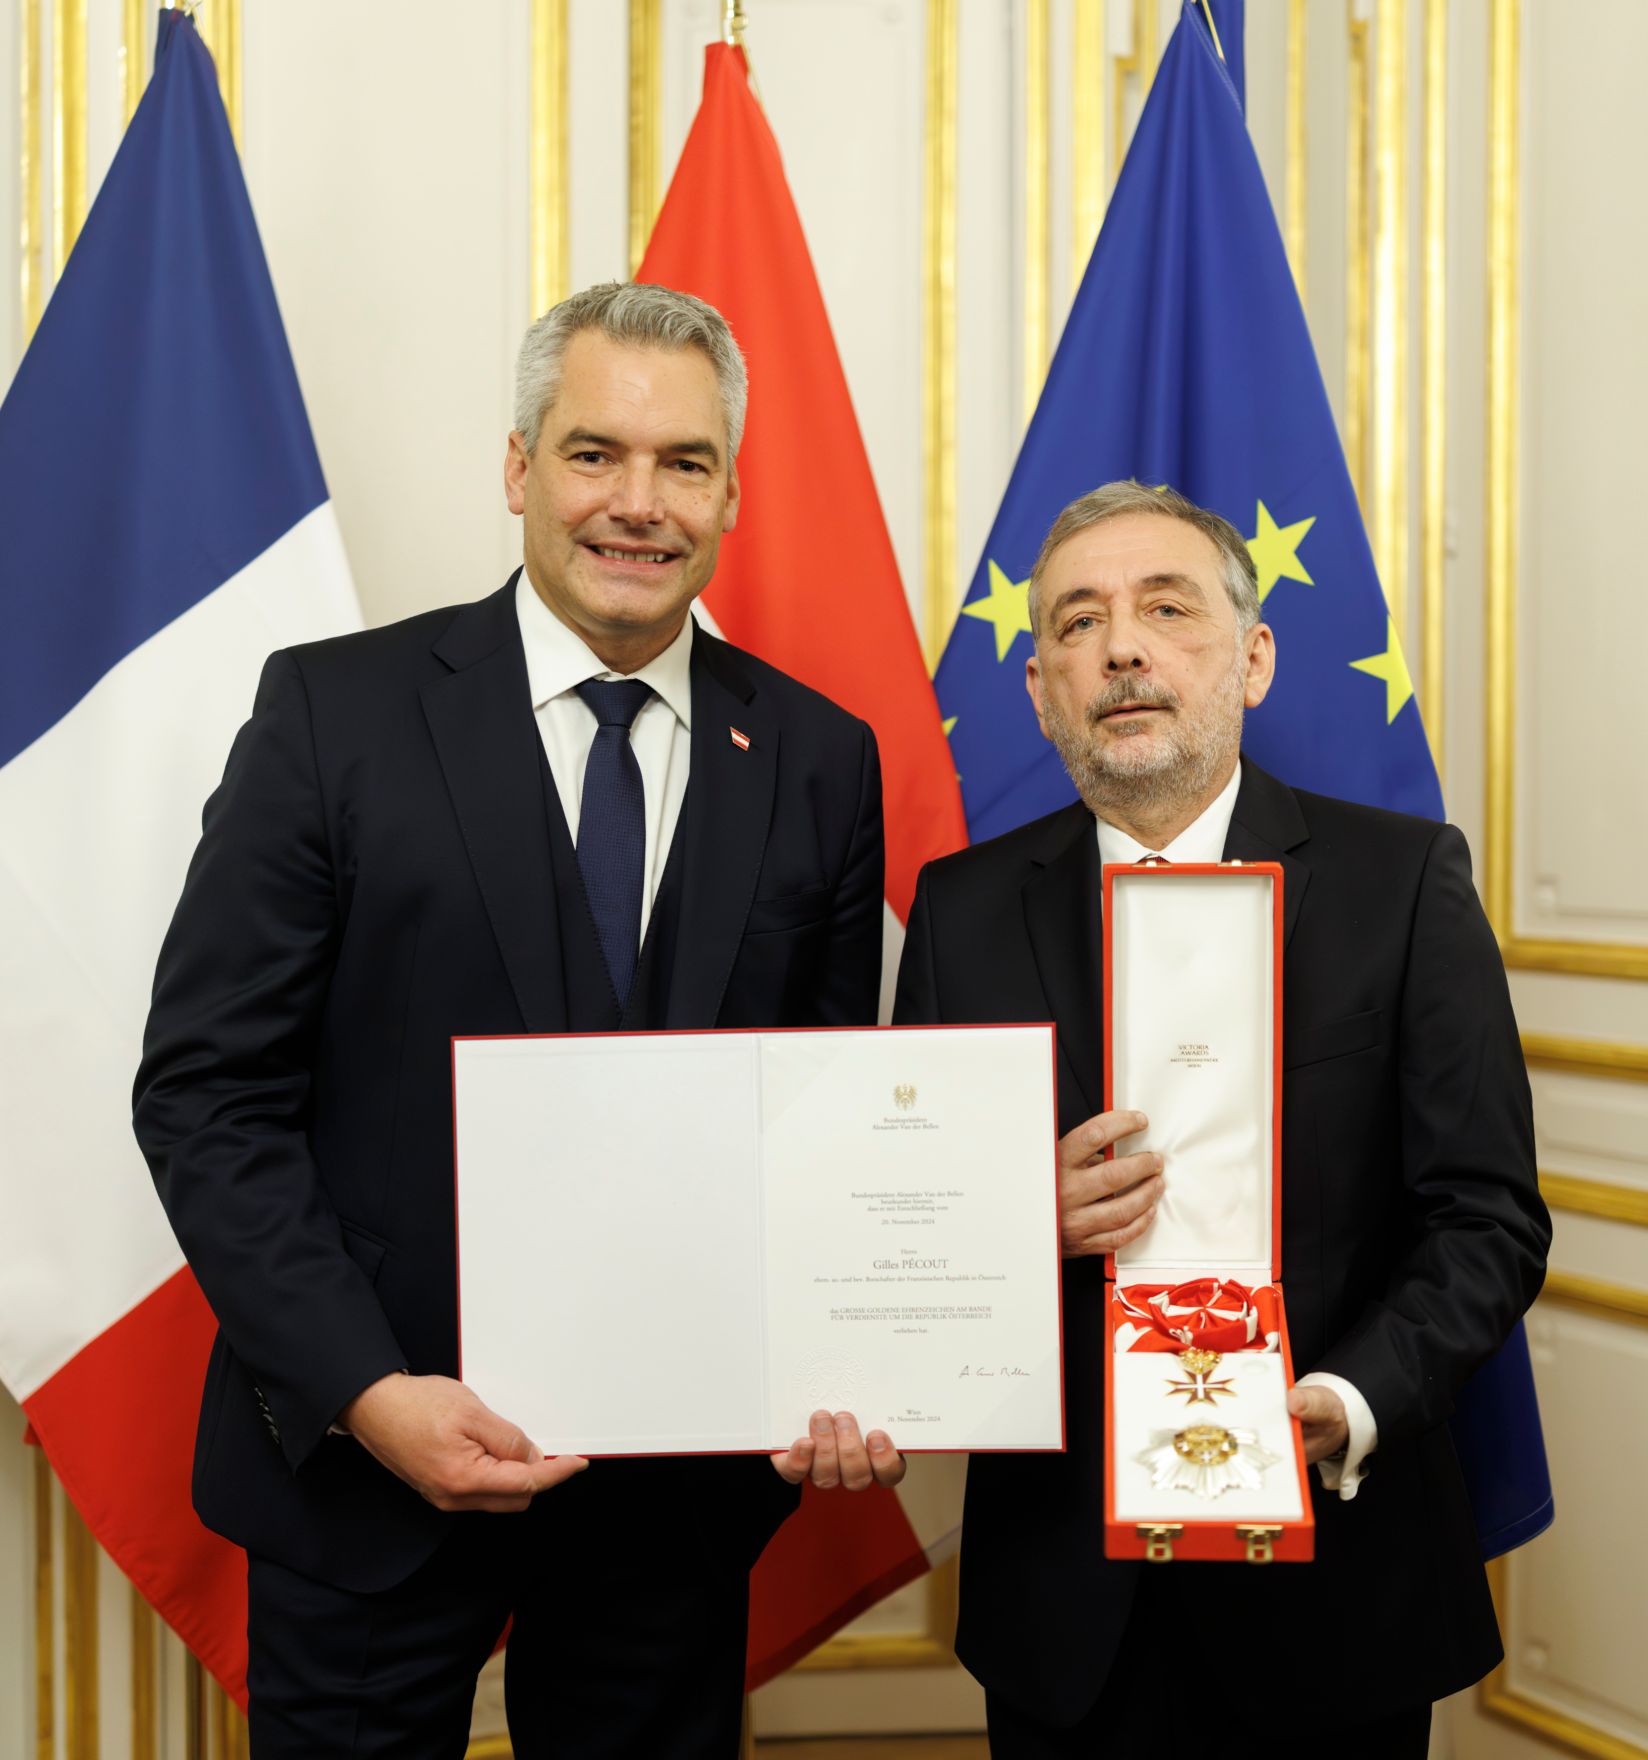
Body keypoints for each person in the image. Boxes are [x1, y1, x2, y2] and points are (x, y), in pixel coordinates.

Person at [134, 281, 904, 1759]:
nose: (639, 502)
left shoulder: (816, 757)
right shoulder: (331, 716)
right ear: (517, 470)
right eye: (593, 452)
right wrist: (367, 1396)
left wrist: (852, 1354)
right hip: (371, 1475)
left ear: (733, 491)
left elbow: (824, 1121)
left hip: (676, 1507)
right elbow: (206, 1097)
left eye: (685, 463)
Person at [893, 481, 1548, 1758]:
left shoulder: (1402, 881)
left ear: (1250, 660)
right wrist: (1022, 1217)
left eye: (1165, 607)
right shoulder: (961, 909)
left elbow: (1486, 1216)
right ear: (1039, 687)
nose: (1121, 646)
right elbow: (919, 1220)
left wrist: (1348, 1397)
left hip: (1337, 1582)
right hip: (1064, 1597)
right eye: (1077, 621)